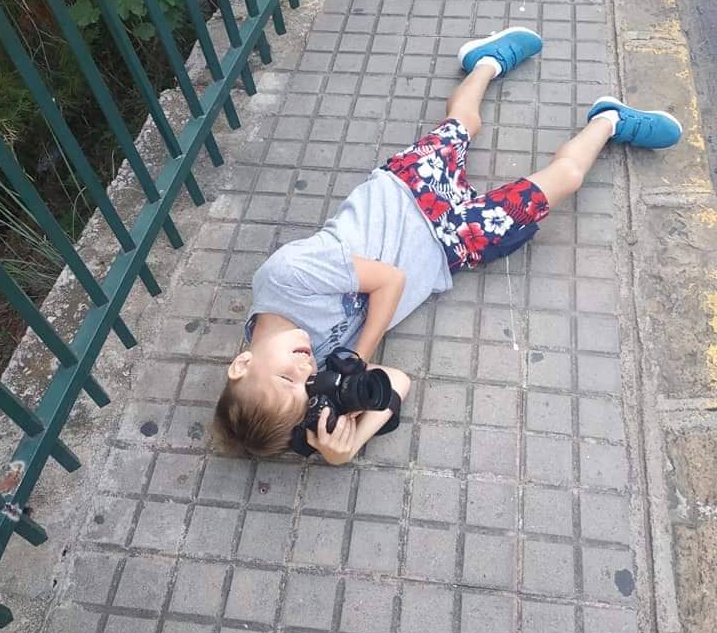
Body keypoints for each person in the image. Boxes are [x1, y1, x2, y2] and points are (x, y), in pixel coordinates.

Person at [213, 27, 682, 464]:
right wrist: (347, 444)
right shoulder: (309, 371)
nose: (304, 369)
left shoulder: (286, 277)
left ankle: (485, 62)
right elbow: (398, 383)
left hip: (408, 192)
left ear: (242, 363)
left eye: (286, 376)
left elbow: (390, 280)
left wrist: (359, 357)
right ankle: (609, 120)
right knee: (566, 180)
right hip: (450, 245)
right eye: (303, 386)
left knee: (465, 123)